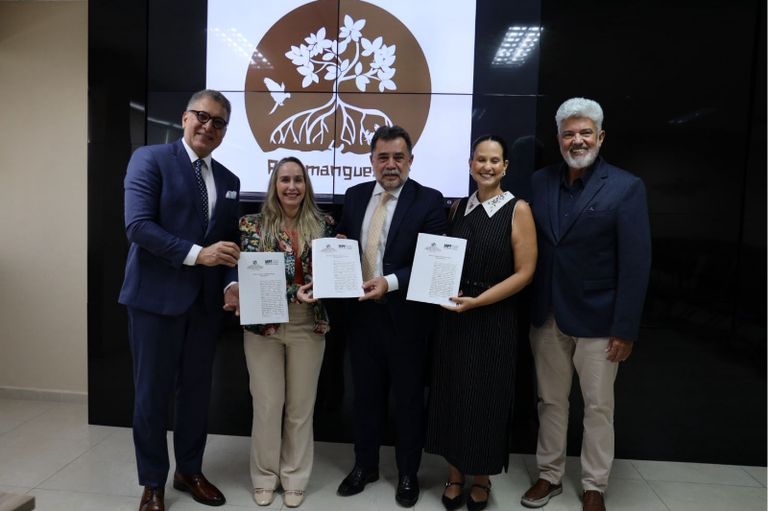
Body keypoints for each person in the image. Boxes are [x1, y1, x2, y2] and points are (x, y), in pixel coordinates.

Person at [521, 98, 651, 511]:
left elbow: (636, 262)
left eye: (585, 133)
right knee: (551, 401)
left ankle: (594, 484)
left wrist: (625, 328)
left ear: (600, 136)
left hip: (600, 319)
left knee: (597, 407)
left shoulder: (625, 186)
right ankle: (549, 475)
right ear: (558, 138)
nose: (577, 141)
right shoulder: (539, 181)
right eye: (569, 133)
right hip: (546, 315)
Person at [119, 89, 241, 511]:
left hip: (205, 307)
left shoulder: (229, 180)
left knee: (195, 394)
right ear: (185, 117)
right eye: (202, 117)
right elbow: (138, 226)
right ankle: (152, 482)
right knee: (151, 396)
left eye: (219, 122)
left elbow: (228, 246)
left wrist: (230, 284)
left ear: (225, 131)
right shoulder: (150, 159)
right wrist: (197, 255)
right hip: (155, 300)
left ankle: (188, 470)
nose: (209, 126)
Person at [334, 125, 447, 507]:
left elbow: (433, 264)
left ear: (411, 160)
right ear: (371, 161)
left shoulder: (430, 202)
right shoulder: (353, 197)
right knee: (365, 397)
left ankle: (408, 474)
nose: (391, 165)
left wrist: (391, 282)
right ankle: (364, 466)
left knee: (409, 400)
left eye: (399, 157)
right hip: (361, 317)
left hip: (407, 318)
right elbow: (346, 243)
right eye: (383, 157)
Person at [424, 135, 537, 511]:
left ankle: (483, 479)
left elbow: (525, 273)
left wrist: (479, 301)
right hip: (454, 317)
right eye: (480, 160)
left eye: (495, 161)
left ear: (506, 166)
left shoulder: (517, 209)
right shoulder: (457, 207)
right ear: (470, 164)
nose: (487, 167)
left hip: (493, 318)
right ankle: (455, 475)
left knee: (487, 399)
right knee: (454, 395)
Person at [238, 157, 334, 509]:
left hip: (308, 322)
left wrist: (339, 262)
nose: (291, 186)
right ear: (274, 185)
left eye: (298, 179)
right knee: (266, 404)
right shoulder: (252, 225)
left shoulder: (324, 225)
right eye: (284, 180)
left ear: (306, 184)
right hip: (262, 324)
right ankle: (264, 477)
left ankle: (294, 477)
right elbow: (255, 279)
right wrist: (294, 291)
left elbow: (331, 276)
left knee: (300, 407)